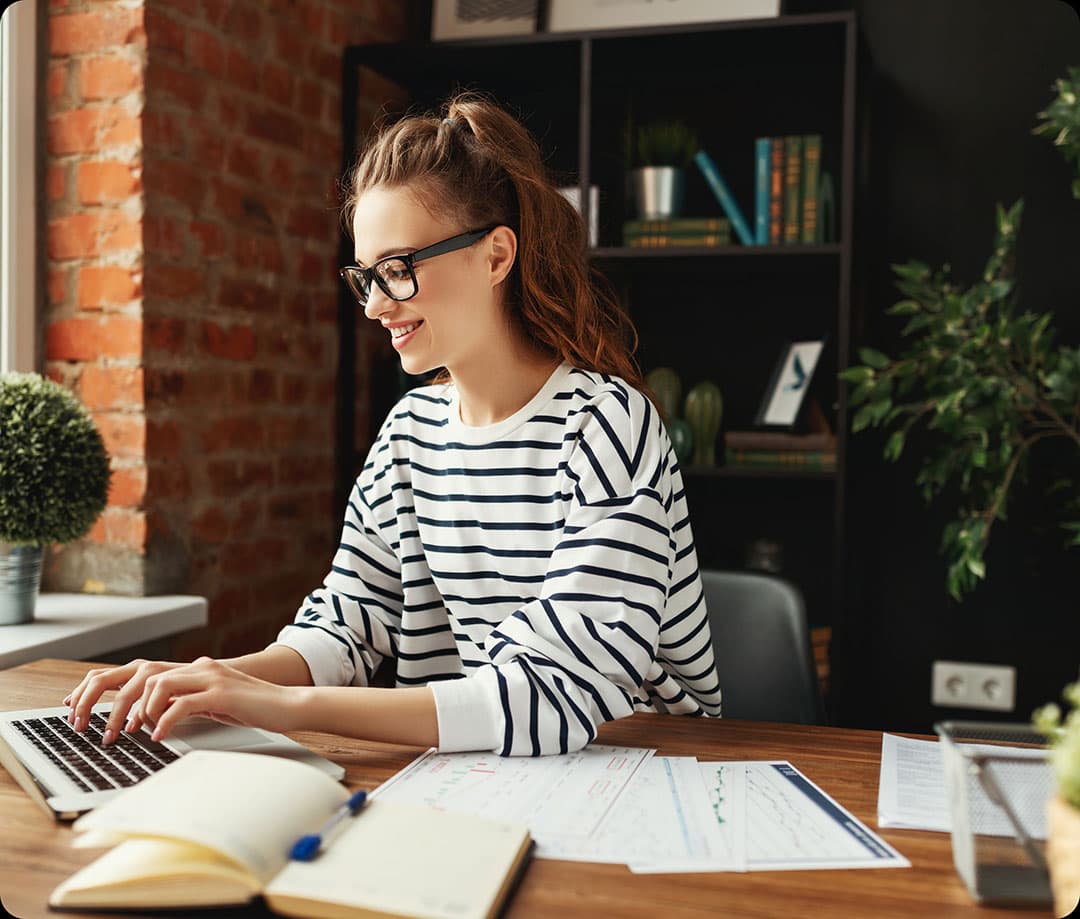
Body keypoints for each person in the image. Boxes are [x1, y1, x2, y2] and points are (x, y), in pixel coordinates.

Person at [65, 92, 722, 757]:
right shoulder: (410, 432)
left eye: (399, 269)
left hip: (646, 770)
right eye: (366, 276)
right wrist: (210, 679)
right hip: (492, 768)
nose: (377, 305)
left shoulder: (607, 425)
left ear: (496, 256)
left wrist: (288, 706)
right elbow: (349, 620)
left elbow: (552, 692)